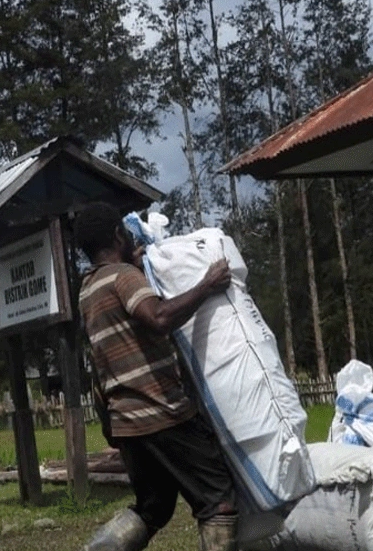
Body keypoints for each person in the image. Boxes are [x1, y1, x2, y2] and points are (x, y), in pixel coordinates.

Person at [74, 202, 238, 551]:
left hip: (127, 424)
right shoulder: (122, 276)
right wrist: (207, 284)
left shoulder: (88, 290)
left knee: (154, 508)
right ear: (118, 234)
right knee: (217, 501)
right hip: (161, 412)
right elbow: (159, 317)